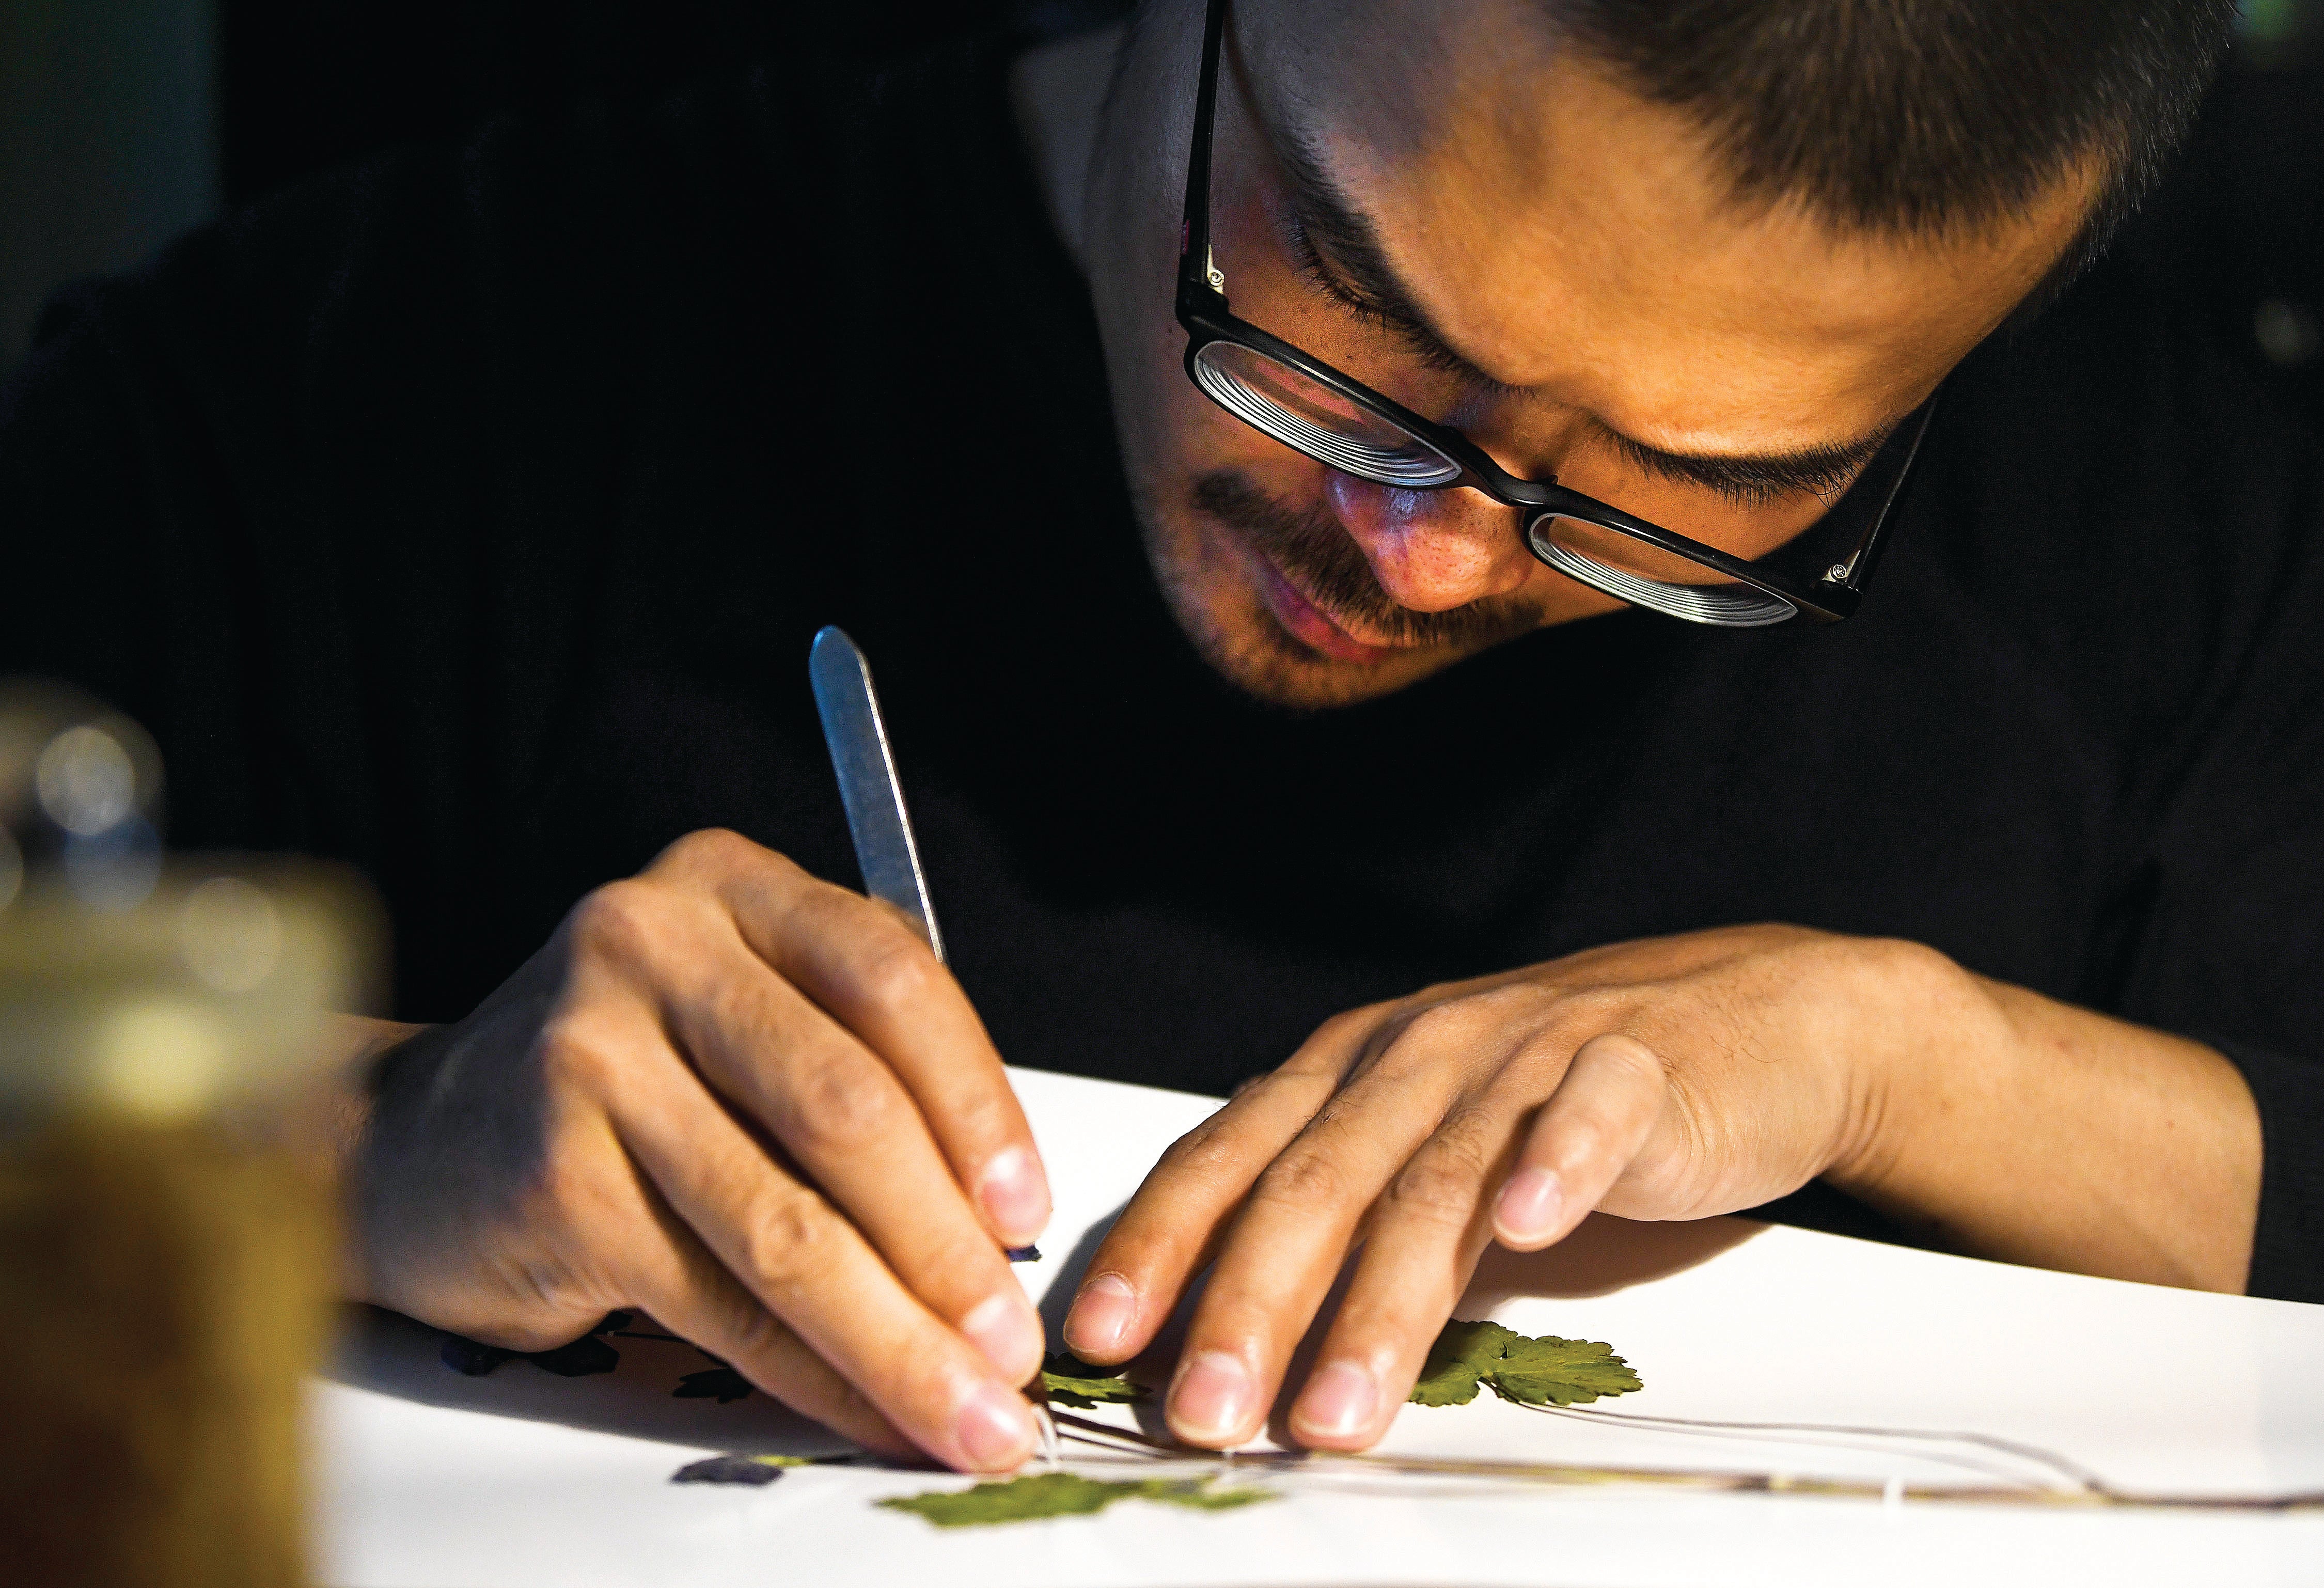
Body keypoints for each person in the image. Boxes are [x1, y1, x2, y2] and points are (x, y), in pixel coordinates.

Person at [5, 0, 2317, 1477]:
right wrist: (346, 1129)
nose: (1424, 551)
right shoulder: (408, 375)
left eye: (1687, 499)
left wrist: (1922, 1059)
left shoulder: (2172, 538)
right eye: (1346, 311)